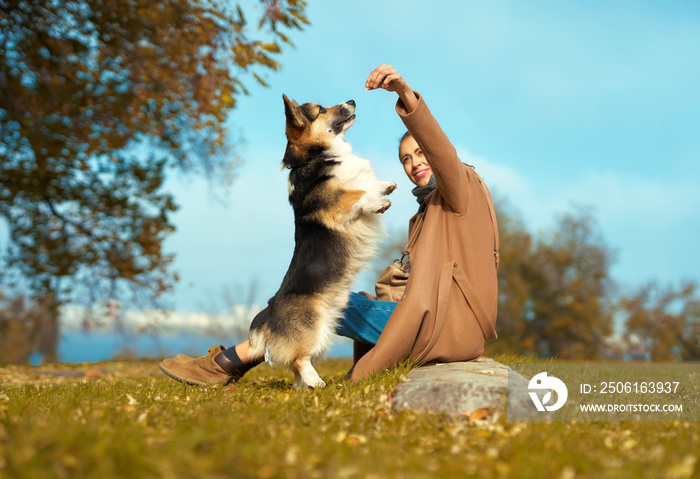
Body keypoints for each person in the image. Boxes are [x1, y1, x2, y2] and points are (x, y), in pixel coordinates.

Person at [158, 64, 499, 386]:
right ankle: (236, 360)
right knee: (324, 299)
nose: (413, 164)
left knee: (318, 302)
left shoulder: (461, 186)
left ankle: (228, 362)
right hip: (434, 321)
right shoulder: (428, 210)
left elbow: (441, 151)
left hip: (446, 327)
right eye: (406, 159)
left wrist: (404, 92)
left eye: (421, 153)